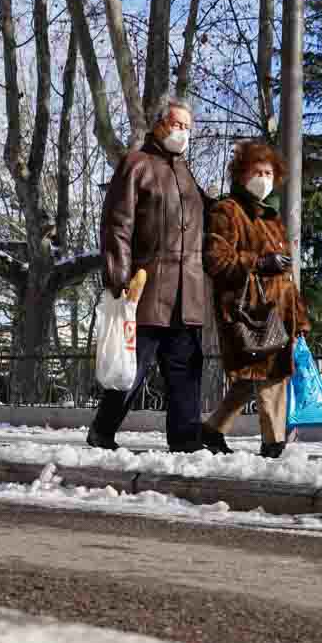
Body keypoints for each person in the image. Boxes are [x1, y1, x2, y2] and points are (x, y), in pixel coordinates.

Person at [88, 94, 211, 452]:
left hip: (187, 293)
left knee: (186, 371)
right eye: (177, 124)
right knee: (132, 369)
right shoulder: (136, 164)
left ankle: (187, 441)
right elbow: (117, 225)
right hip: (146, 289)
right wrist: (118, 279)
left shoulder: (186, 174)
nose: (182, 132)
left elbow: (207, 217)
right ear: (159, 124)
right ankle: (102, 430)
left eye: (187, 127)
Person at [202, 141, 309, 458]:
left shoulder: (272, 219)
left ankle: (211, 429)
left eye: (268, 173)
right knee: (269, 375)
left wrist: (299, 318)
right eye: (257, 172)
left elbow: (285, 278)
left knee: (253, 377)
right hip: (246, 311)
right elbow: (215, 260)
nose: (263, 178)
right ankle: (274, 443)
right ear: (241, 174)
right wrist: (258, 263)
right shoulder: (227, 211)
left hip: (277, 311)